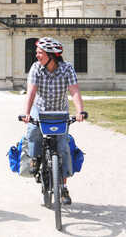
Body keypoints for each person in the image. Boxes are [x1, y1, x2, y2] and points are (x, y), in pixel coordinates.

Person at [22, 37, 85, 205]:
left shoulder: (66, 69)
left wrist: (80, 111)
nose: (37, 56)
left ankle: (63, 187)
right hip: (40, 109)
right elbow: (31, 93)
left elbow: (74, 91)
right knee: (33, 131)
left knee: (63, 147)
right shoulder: (36, 68)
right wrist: (26, 114)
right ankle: (35, 158)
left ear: (52, 55)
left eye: (40, 53)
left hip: (59, 111)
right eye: (37, 53)